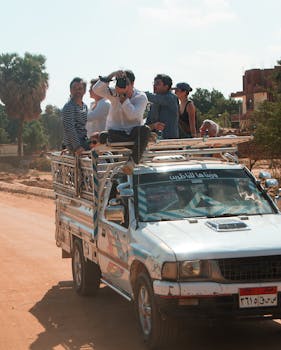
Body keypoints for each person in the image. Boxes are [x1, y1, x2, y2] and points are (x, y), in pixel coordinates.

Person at [92, 70, 149, 173]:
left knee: (145, 130)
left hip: (133, 132)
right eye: (119, 81)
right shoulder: (114, 92)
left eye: (125, 82)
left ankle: (131, 162)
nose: (122, 85)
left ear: (132, 84)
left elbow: (132, 116)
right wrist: (112, 74)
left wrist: (123, 99)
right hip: (116, 133)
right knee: (105, 136)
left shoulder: (140, 97)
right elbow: (96, 89)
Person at [145, 74, 179, 139]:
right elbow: (147, 125)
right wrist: (153, 126)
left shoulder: (171, 98)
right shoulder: (153, 103)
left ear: (166, 86)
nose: (154, 85)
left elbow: (154, 98)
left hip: (169, 141)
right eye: (154, 83)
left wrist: (137, 93)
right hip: (154, 141)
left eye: (157, 83)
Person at [61, 77, 89, 155]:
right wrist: (77, 147)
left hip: (84, 141)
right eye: (74, 88)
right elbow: (69, 128)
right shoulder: (69, 107)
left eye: (80, 88)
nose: (77, 91)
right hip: (76, 146)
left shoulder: (84, 106)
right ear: (70, 90)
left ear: (84, 91)